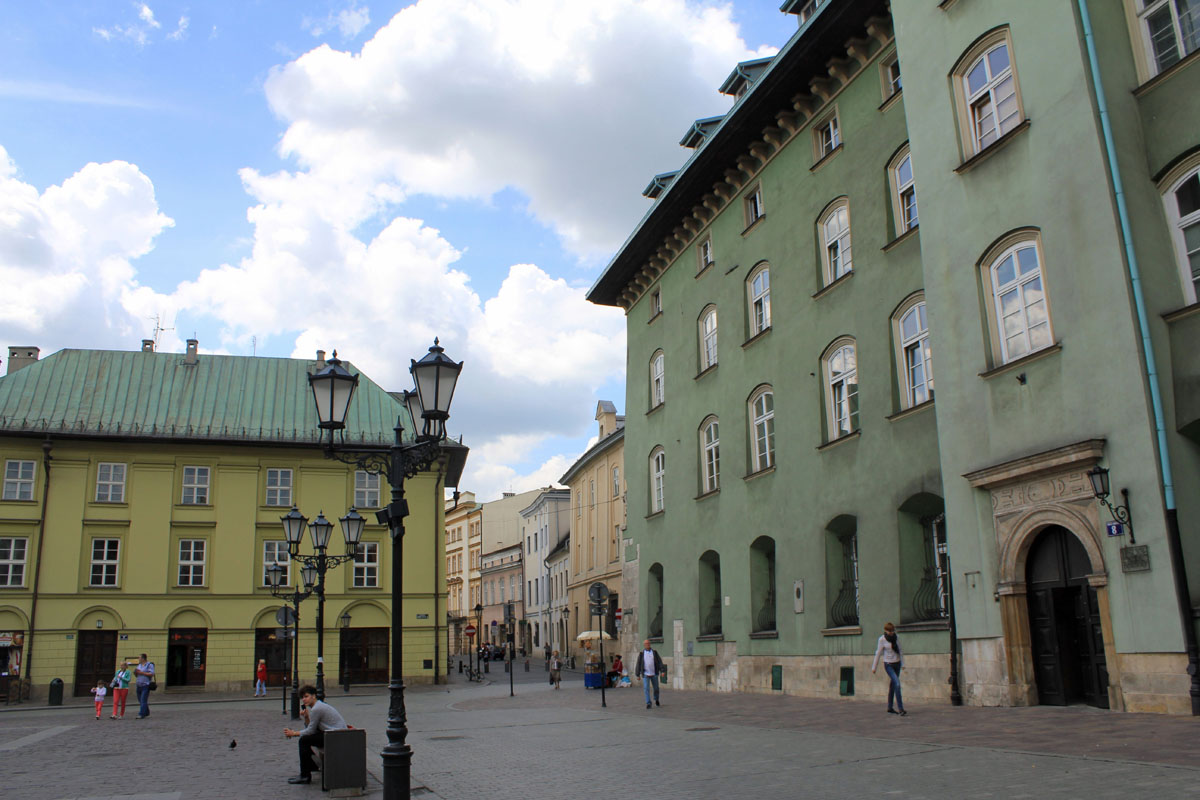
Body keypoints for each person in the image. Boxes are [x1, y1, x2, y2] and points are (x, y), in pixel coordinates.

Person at [283, 685, 348, 785]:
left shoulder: (317, 709)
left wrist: (294, 733)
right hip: (335, 735)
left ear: (314, 696)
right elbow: (311, 729)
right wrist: (306, 717)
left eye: (306, 696)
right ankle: (311, 767)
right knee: (306, 739)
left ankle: (305, 775)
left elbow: (310, 731)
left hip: (335, 736)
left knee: (304, 740)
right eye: (303, 697)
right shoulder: (318, 706)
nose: (304, 699)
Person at [871, 621, 906, 716]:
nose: (891, 633)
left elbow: (900, 650)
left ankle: (890, 707)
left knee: (893, 685)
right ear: (885, 631)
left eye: (892, 631)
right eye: (889, 631)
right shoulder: (882, 639)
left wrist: (903, 664)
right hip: (888, 664)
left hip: (897, 663)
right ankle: (901, 708)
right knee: (897, 684)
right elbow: (878, 653)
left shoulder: (896, 638)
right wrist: (874, 667)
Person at [634, 639, 664, 709]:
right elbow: (638, 664)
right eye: (646, 644)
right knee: (646, 688)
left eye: (648, 643)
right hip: (645, 674)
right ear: (644, 645)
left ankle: (656, 699)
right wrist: (637, 674)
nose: (647, 645)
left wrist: (662, 670)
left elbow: (659, 662)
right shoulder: (641, 654)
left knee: (656, 688)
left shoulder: (654, 652)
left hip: (654, 673)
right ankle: (648, 703)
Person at [134, 653, 155, 719]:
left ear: (143, 658)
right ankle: (146, 712)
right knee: (140, 700)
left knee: (143, 699)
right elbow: (137, 675)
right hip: (139, 685)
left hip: (145, 685)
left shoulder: (149, 665)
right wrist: (135, 673)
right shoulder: (139, 665)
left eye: (139, 658)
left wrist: (142, 673)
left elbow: (151, 674)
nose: (138, 659)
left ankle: (141, 714)